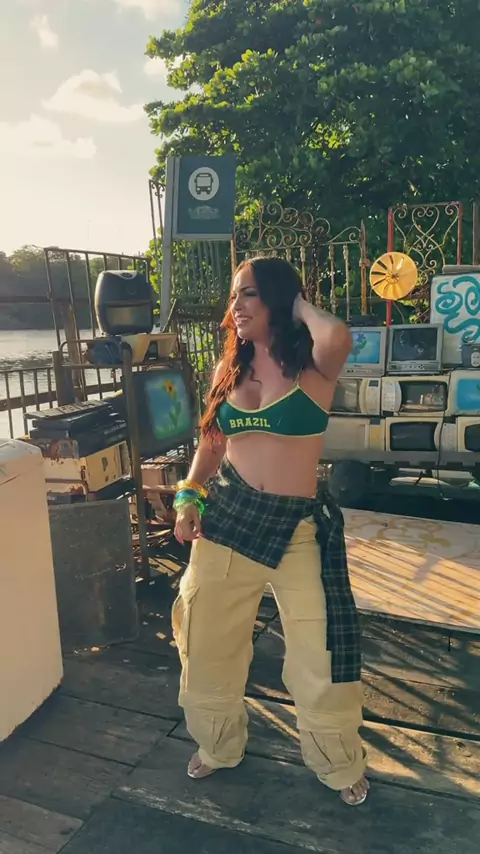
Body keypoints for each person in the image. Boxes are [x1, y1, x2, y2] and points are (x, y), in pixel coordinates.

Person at [171, 256, 369, 806]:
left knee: (322, 657)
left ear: (279, 301)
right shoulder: (227, 369)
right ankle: (218, 746)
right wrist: (189, 495)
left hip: (297, 530)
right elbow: (211, 445)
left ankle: (337, 762)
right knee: (206, 645)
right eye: (233, 296)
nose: (235, 306)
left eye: (248, 294)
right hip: (228, 521)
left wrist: (294, 302)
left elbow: (338, 334)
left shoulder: (314, 368)